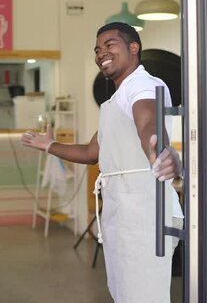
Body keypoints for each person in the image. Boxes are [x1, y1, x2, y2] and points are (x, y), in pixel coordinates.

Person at [21, 22, 183, 302]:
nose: (101, 54)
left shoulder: (143, 85)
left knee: (144, 295)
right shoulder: (117, 98)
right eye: (97, 49)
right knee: (125, 292)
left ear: (134, 48)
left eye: (109, 45)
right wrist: (48, 145)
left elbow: (149, 124)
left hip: (144, 213)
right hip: (123, 212)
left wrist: (160, 151)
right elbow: (90, 152)